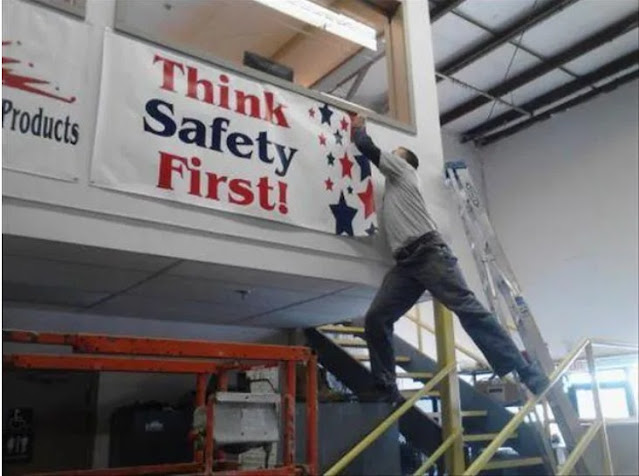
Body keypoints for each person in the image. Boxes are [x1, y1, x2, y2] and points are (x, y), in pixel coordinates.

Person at [351, 115, 549, 402]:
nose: (391, 156)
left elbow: (367, 148)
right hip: (406, 264)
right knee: (376, 318)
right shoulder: (396, 188)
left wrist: (359, 129)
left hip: (428, 252)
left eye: (396, 153)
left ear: (404, 162)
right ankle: (386, 387)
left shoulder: (404, 171)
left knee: (467, 309)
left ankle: (528, 372)